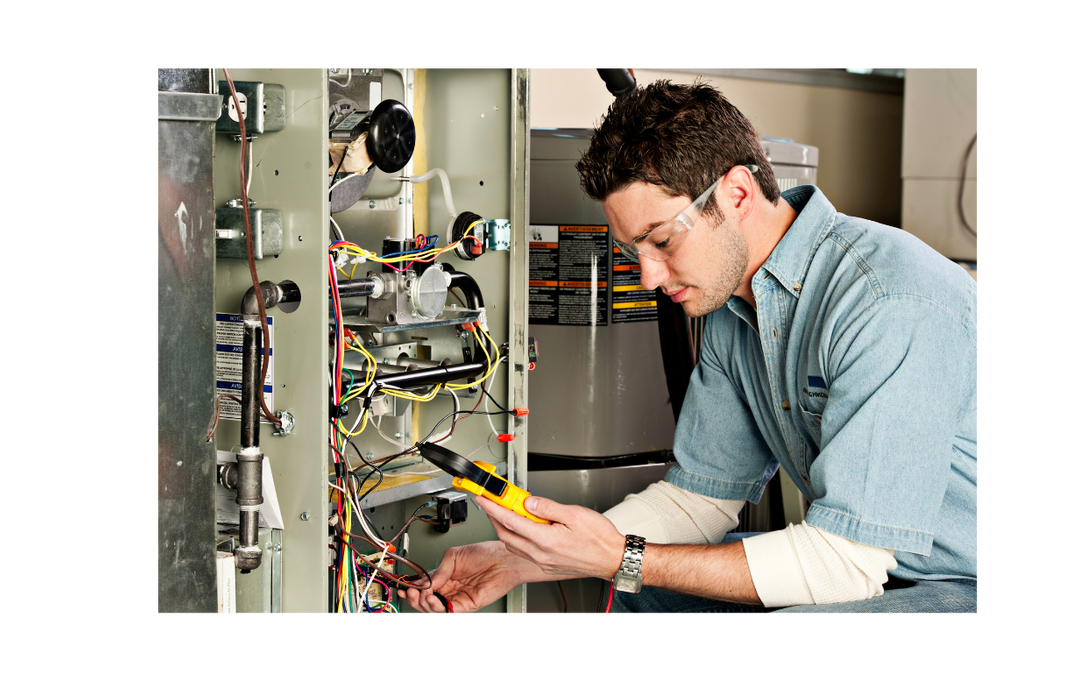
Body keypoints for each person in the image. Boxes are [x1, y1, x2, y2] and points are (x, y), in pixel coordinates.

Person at [403, 80, 978, 614]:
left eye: (661, 240)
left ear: (736, 192)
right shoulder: (736, 306)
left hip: (959, 582)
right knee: (637, 593)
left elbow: (845, 565)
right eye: (634, 251)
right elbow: (699, 502)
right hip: (886, 569)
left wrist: (619, 557)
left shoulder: (887, 301)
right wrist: (522, 560)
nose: (649, 277)